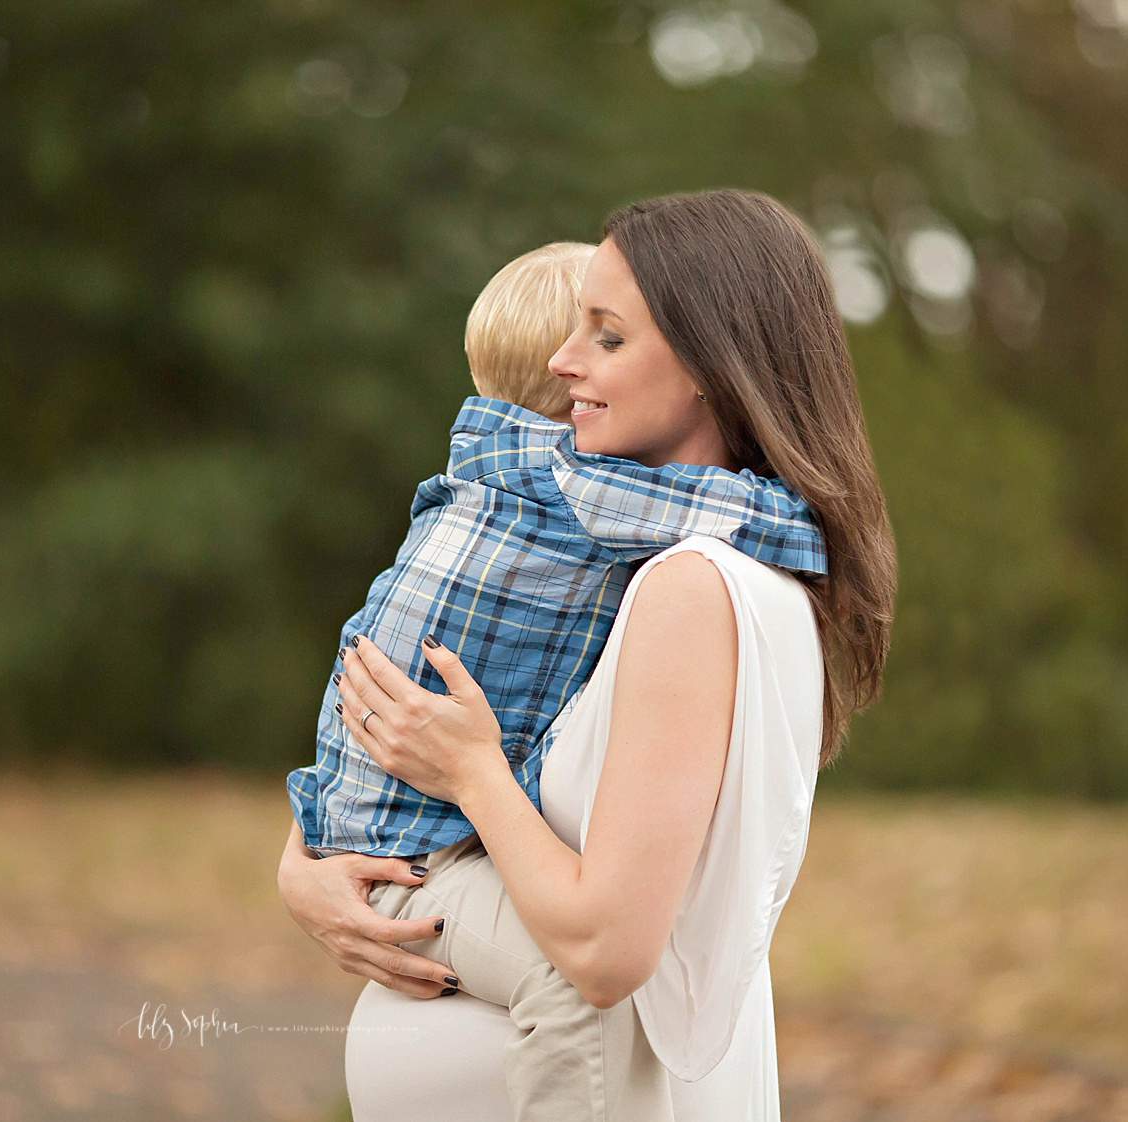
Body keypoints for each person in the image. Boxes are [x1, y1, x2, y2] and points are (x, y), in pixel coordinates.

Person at [280, 188, 896, 1121]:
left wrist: (474, 772)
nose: (564, 364)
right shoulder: (647, 571)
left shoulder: (692, 584)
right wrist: (303, 864)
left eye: (607, 336)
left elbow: (605, 953)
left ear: (707, 364)